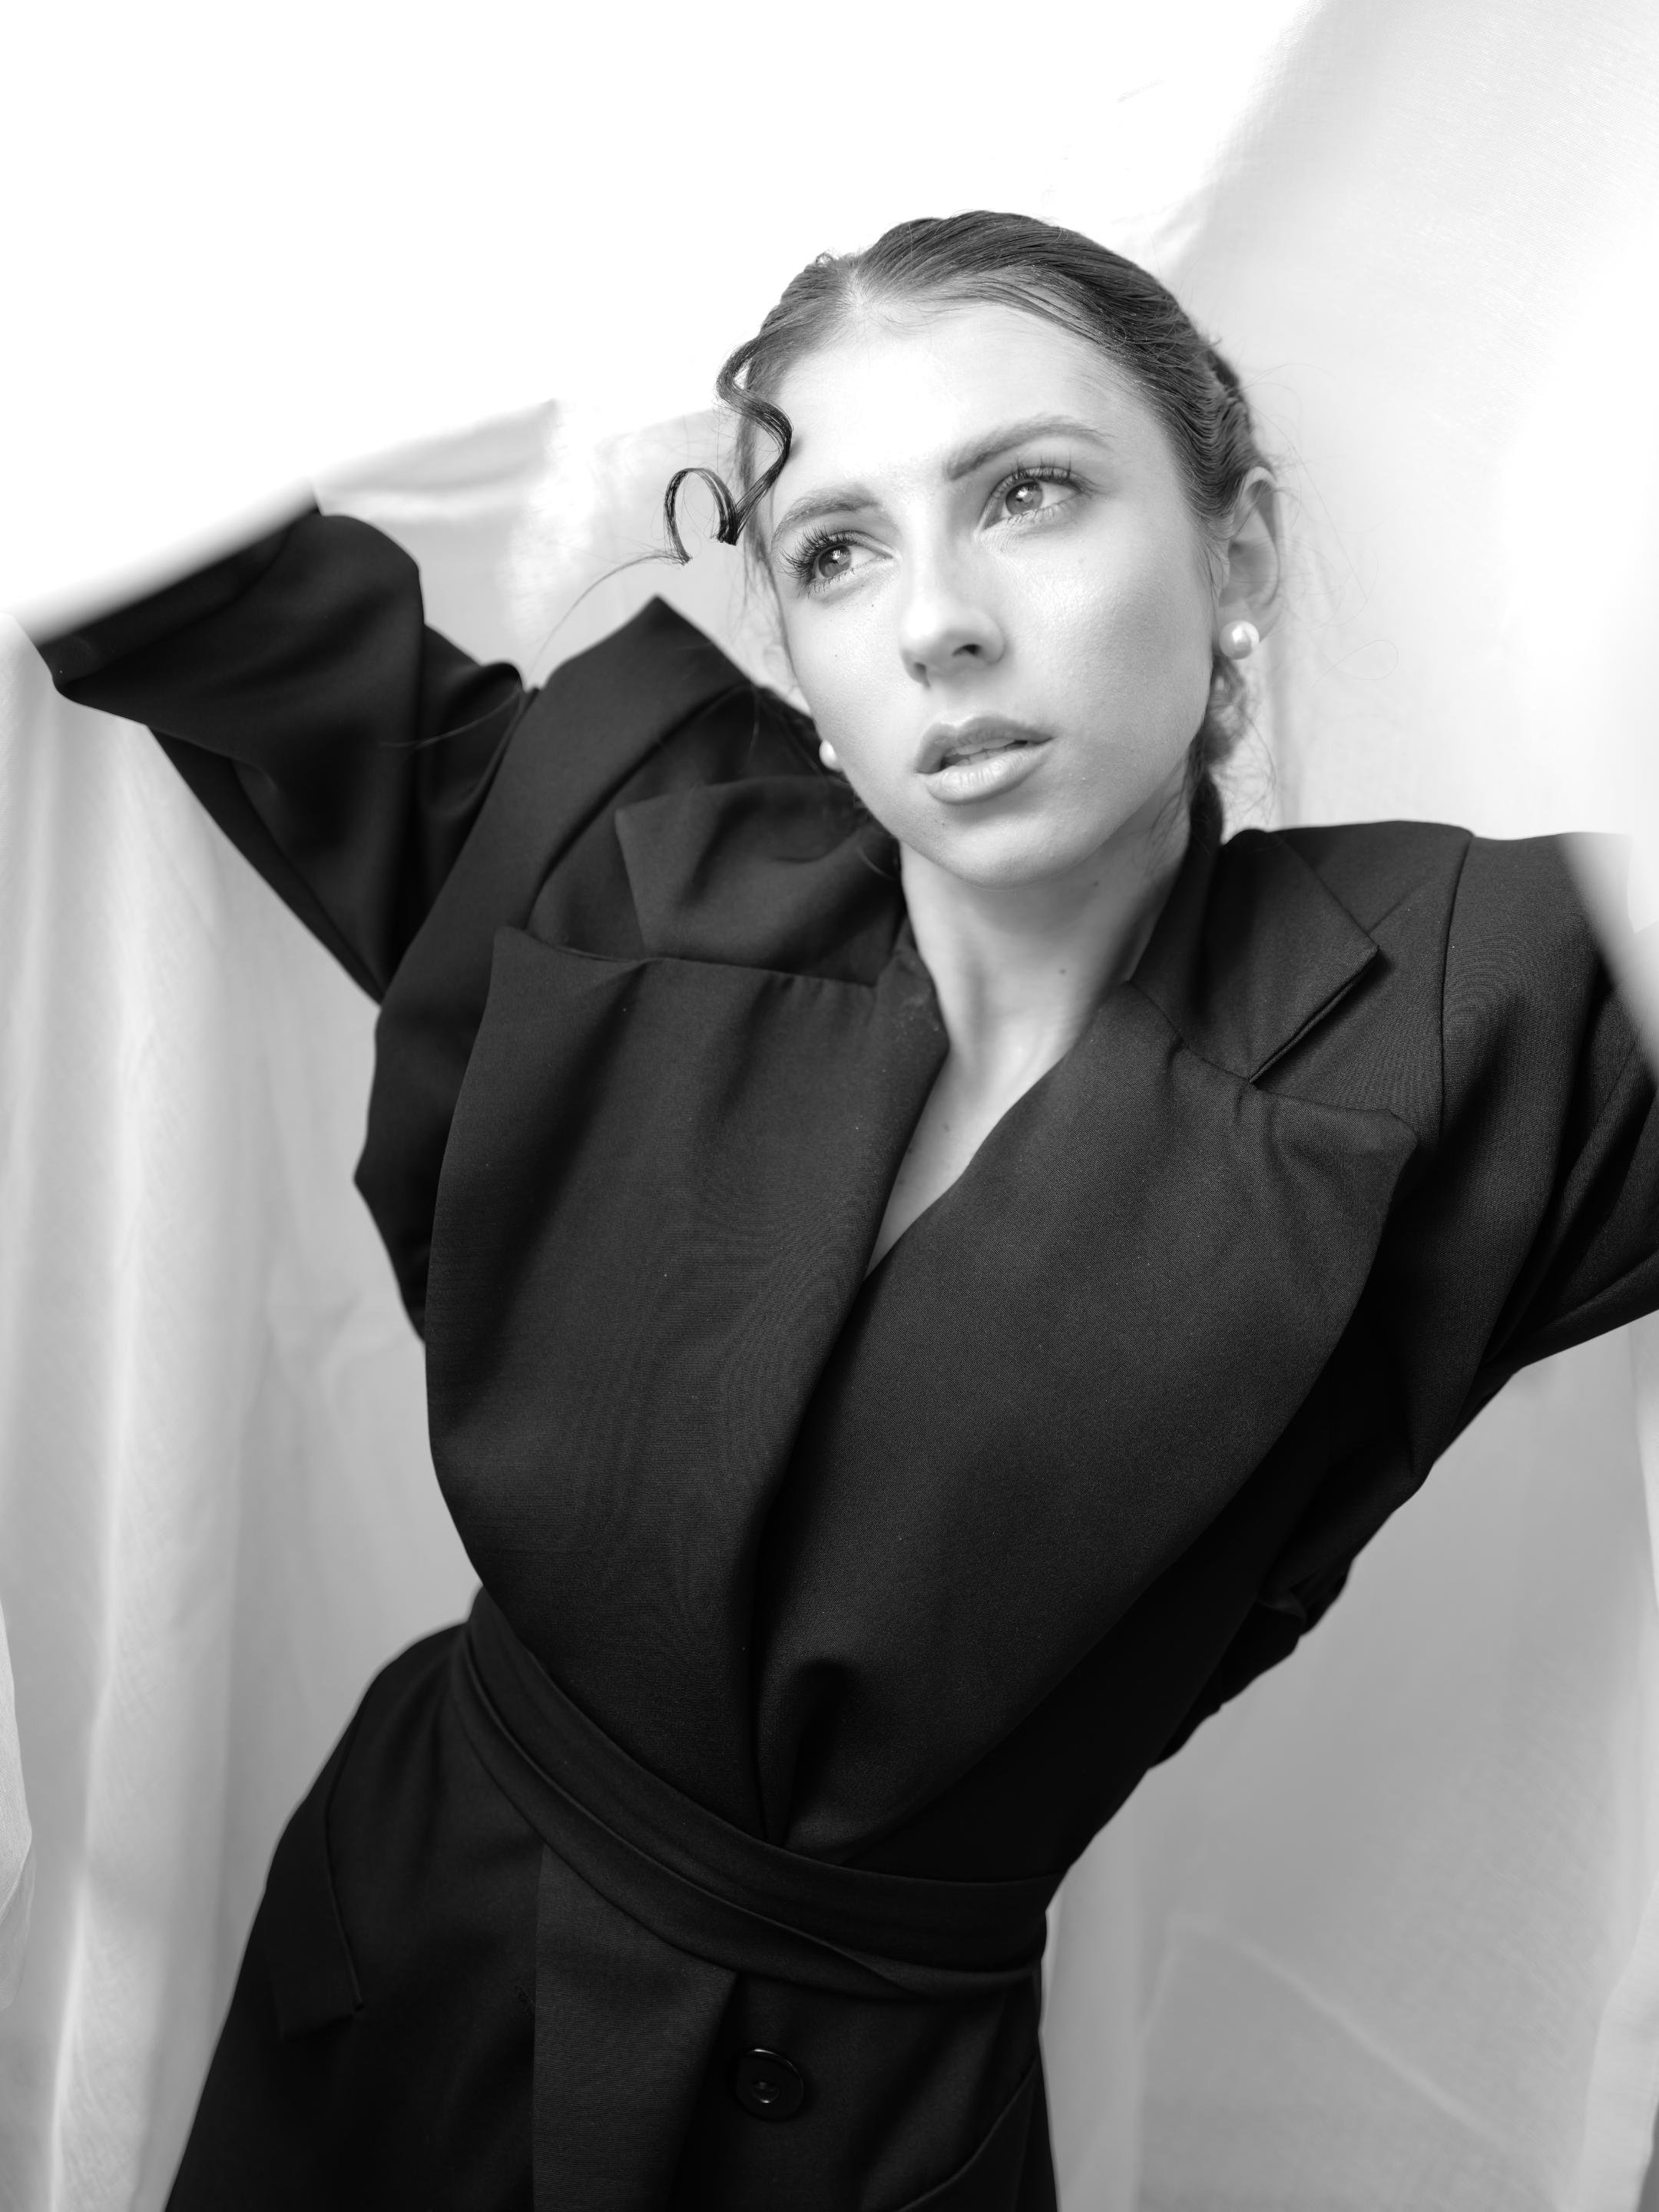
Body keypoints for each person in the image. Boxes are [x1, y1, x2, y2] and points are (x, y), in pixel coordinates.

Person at [31, 210, 1659, 2212]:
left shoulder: (1466, 1004)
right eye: (839, 549)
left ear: (1232, 555)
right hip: (406, 1975)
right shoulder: (620, 844)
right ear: (791, 647)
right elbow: (141, 532)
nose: (939, 624)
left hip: (868, 2135)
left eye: (1032, 494)